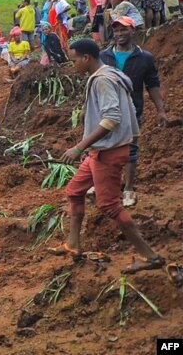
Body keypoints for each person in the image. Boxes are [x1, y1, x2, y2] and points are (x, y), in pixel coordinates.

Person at [49, 39, 165, 274]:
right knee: (74, 191)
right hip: (99, 151)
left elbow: (111, 119)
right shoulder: (111, 73)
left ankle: (151, 256)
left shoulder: (103, 81)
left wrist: (79, 147)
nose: (73, 66)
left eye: (74, 61)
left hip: (108, 152)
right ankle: (73, 244)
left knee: (110, 206)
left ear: (86, 58)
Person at [99, 16, 168, 208]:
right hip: (106, 110)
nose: (119, 34)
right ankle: (106, 184)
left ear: (133, 31)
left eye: (124, 30)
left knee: (130, 149)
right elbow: (95, 83)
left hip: (133, 109)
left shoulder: (145, 58)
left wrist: (160, 110)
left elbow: (152, 85)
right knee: (104, 146)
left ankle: (128, 189)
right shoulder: (104, 56)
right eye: (117, 30)